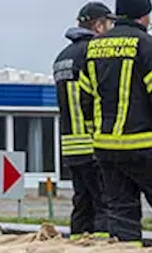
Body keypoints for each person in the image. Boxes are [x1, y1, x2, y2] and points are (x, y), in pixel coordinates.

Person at [77, 0, 152, 251]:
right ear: (144, 16)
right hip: (147, 149)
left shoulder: (94, 48)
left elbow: (85, 99)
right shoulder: (149, 47)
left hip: (107, 151)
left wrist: (96, 134)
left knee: (122, 218)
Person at [53, 2, 112, 239]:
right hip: (93, 142)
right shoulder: (93, 53)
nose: (111, 29)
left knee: (82, 203)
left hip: (70, 144)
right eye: (109, 23)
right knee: (104, 204)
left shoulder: (62, 57)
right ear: (98, 25)